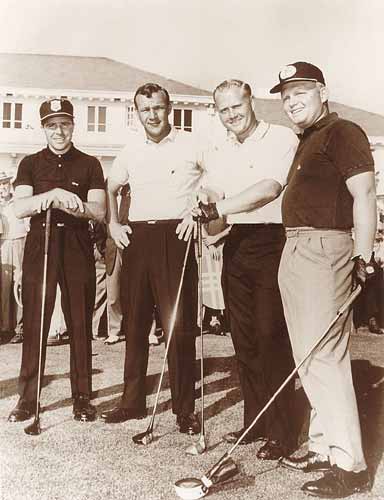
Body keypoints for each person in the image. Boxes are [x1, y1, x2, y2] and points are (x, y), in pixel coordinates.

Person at [270, 61, 376, 497]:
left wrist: (364, 256)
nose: (292, 101)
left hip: (324, 249)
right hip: (296, 249)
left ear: (323, 92)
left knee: (325, 357)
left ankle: (351, 465)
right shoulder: (308, 140)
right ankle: (322, 446)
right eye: (286, 95)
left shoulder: (343, 131)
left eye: (300, 92)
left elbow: (364, 194)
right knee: (308, 358)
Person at [194, 79, 298, 460]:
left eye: (236, 106)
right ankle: (256, 421)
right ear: (217, 113)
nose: (231, 115)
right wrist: (204, 200)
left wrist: (219, 208)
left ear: (251, 101)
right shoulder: (219, 149)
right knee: (245, 338)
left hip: (274, 242)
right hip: (236, 245)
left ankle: (284, 431)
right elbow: (215, 201)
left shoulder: (281, 137)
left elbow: (269, 188)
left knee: (272, 336)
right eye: (223, 110)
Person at [104, 83, 201, 435]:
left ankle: (184, 410)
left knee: (179, 325)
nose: (153, 115)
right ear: (137, 113)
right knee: (135, 324)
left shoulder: (192, 145)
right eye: (145, 109)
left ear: (169, 108)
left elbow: (214, 180)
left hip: (177, 236)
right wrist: (115, 223)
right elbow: (111, 186)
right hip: (138, 239)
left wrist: (197, 213)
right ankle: (132, 402)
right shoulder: (129, 150)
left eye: (158, 108)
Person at [8, 98, 105, 424]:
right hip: (41, 243)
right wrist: (49, 197)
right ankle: (27, 399)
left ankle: (82, 398)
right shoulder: (30, 163)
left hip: (77, 244)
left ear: (73, 125)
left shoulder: (90, 163)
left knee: (79, 321)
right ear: (44, 128)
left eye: (64, 123)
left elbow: (100, 211)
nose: (59, 130)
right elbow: (20, 207)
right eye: (52, 125)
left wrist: (72, 204)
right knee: (35, 320)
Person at [0, 171, 27, 343]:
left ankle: (20, 328)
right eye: (0, 184)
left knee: (19, 286)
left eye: (4, 183)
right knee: (4, 287)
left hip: (19, 241)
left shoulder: (18, 201)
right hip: (3, 244)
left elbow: (28, 224)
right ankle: (5, 327)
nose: (2, 187)